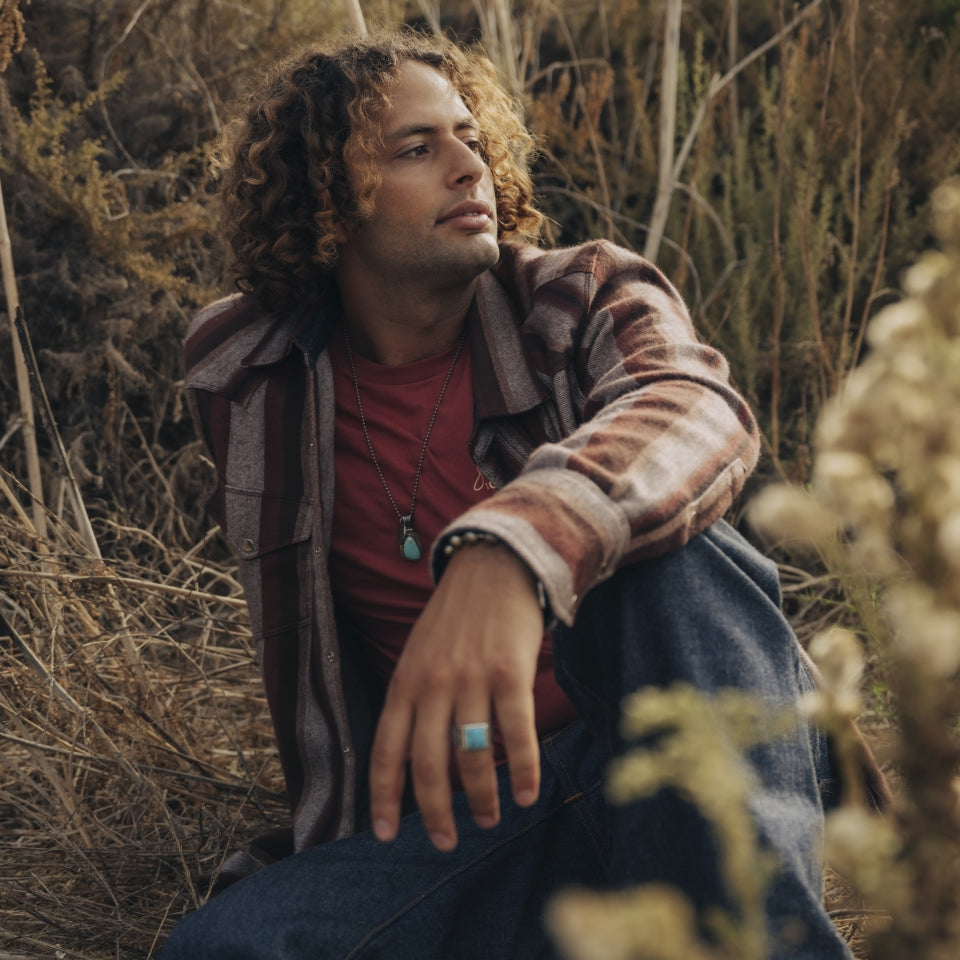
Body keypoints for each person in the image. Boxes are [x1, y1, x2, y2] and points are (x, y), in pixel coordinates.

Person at [160, 28, 878, 960]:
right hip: (482, 814)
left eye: (469, 135)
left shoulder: (581, 297)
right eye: (418, 148)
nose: (470, 166)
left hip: (689, 761)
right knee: (223, 951)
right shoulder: (244, 371)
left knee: (675, 554)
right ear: (326, 200)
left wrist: (518, 546)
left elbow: (697, 408)